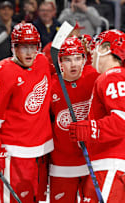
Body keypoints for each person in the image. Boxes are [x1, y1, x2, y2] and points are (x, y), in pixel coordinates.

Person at [68, 29, 125, 202]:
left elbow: (123, 121)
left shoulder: (113, 77)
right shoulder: (122, 77)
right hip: (117, 161)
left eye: (97, 46)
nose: (93, 52)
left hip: (113, 161)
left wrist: (90, 129)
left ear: (105, 48)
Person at [0, 23, 53, 203]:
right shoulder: (1, 72)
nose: (29, 52)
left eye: (33, 47)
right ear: (14, 48)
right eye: (23, 47)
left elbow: (63, 68)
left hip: (43, 151)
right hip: (15, 154)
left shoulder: (42, 61)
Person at [49, 36, 99, 202]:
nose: (74, 64)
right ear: (60, 62)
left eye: (78, 58)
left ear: (85, 59)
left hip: (92, 160)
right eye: (68, 60)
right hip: (62, 162)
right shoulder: (52, 85)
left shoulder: (95, 76)